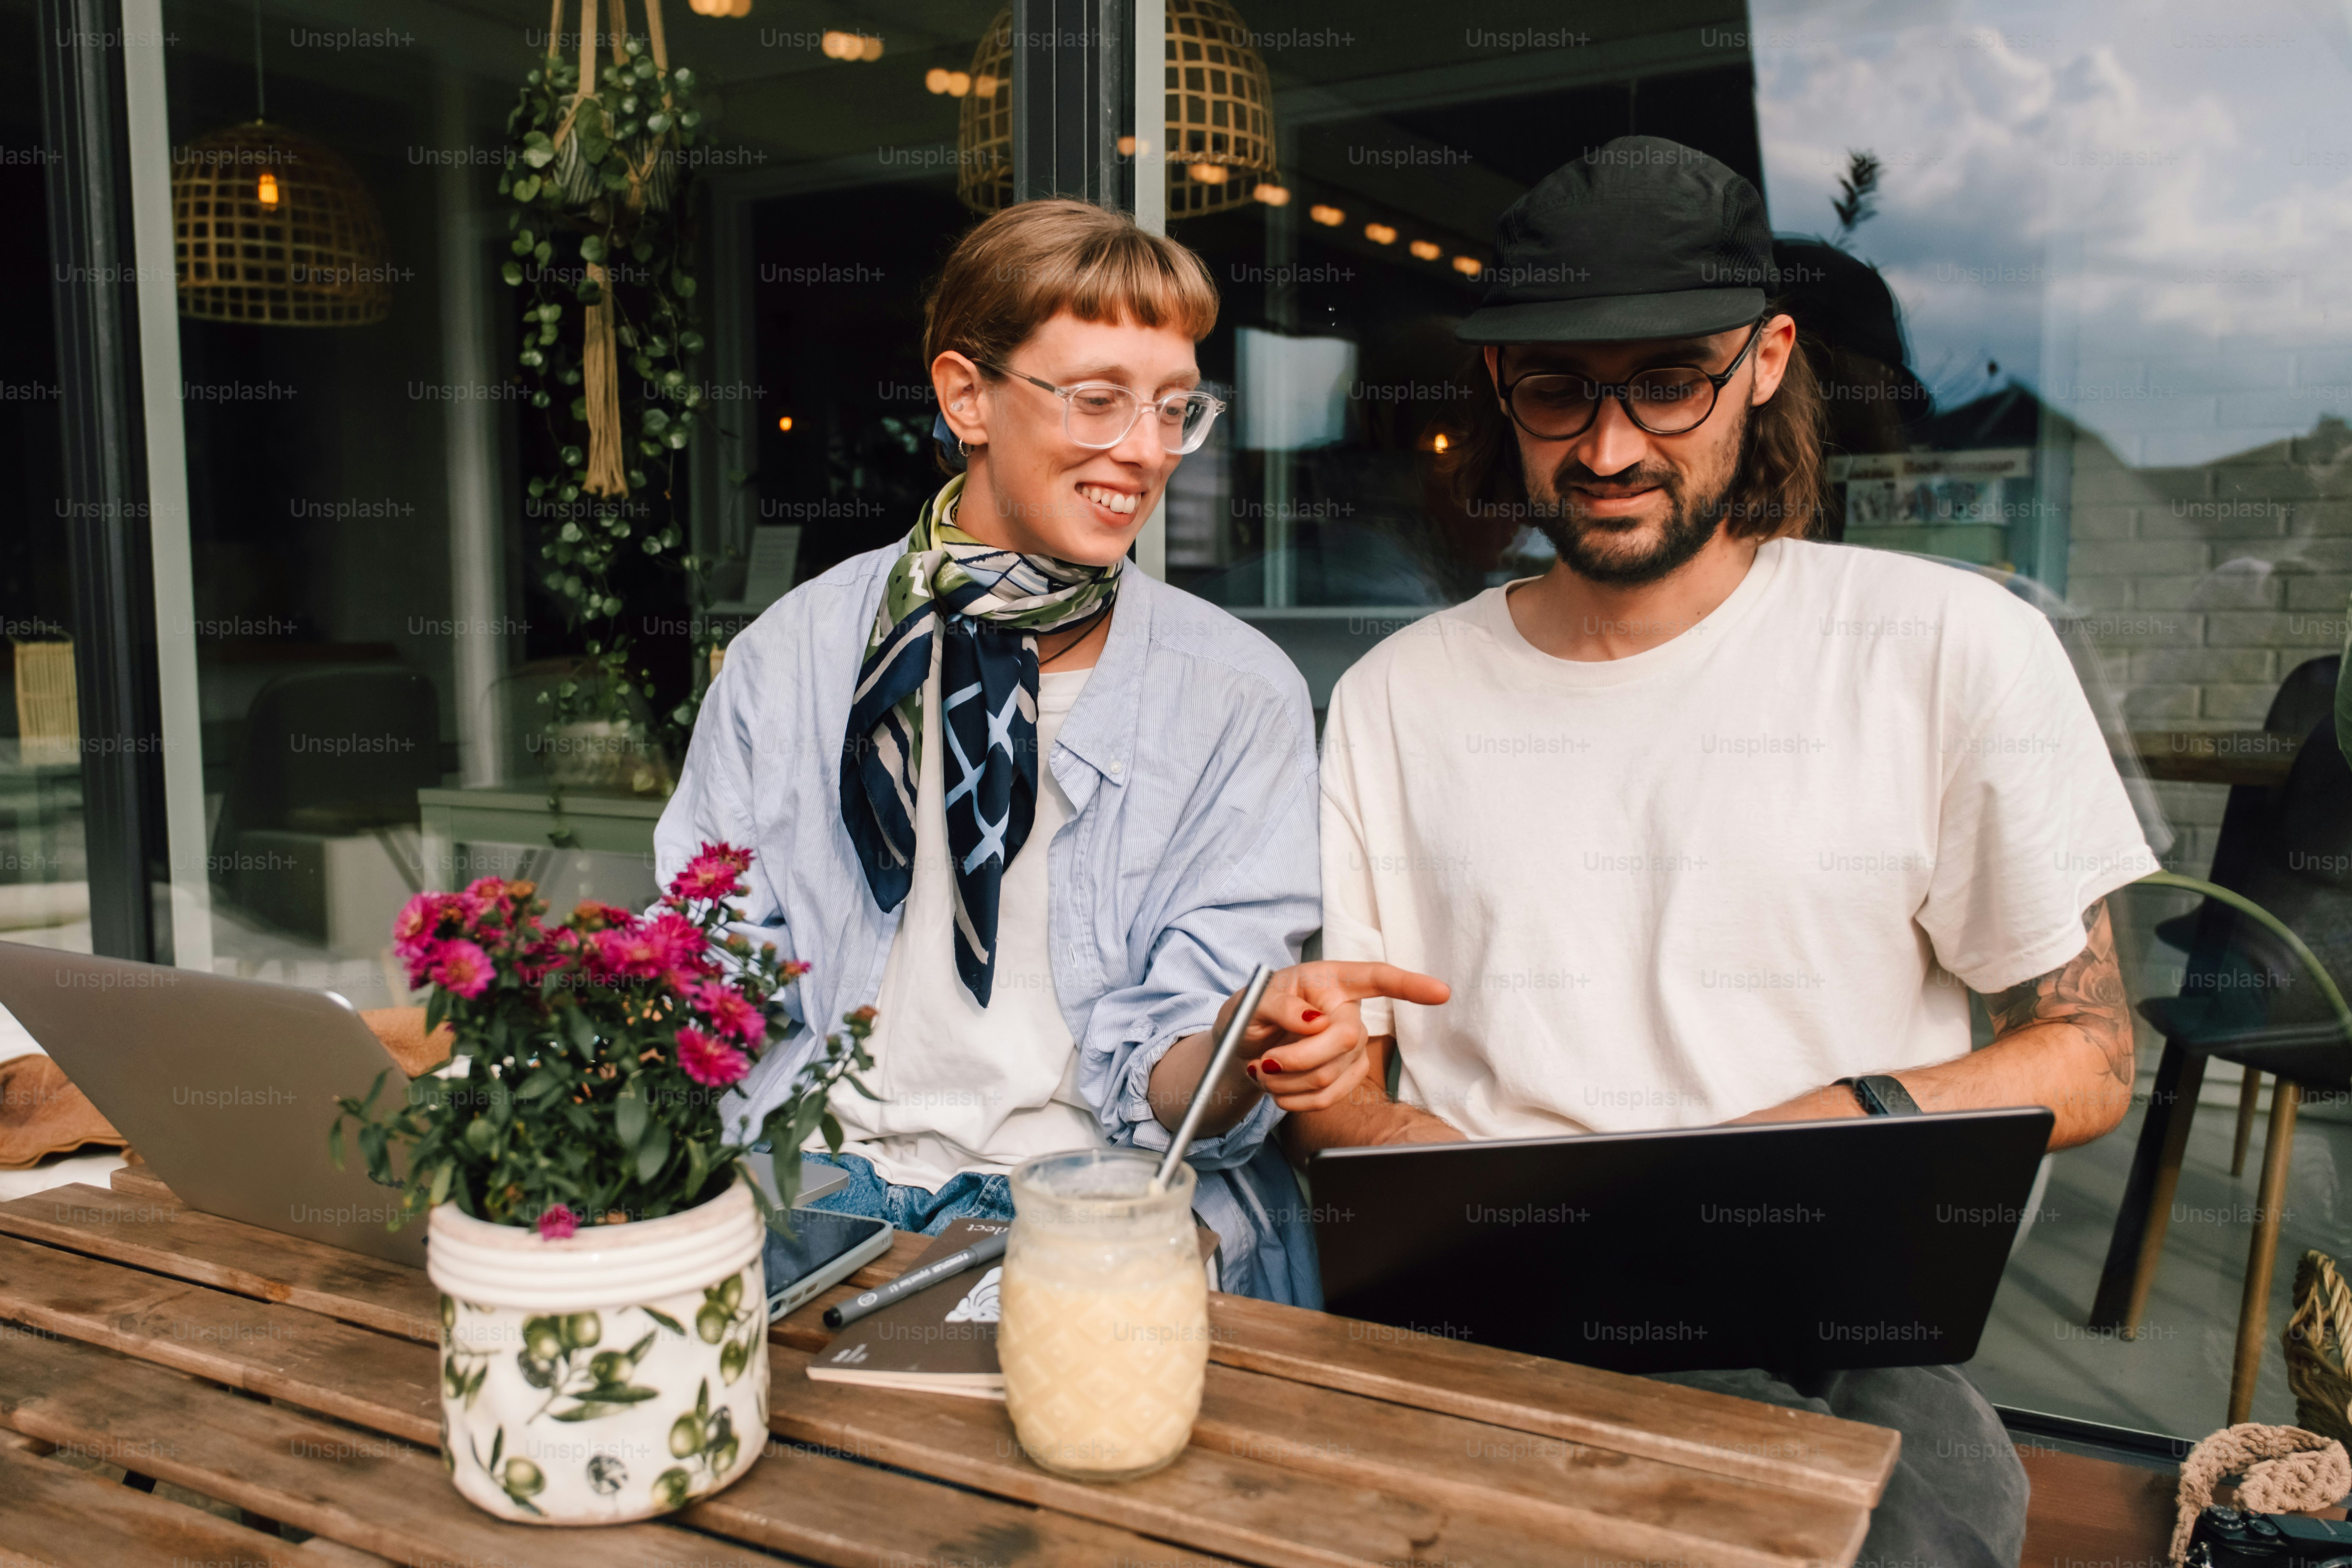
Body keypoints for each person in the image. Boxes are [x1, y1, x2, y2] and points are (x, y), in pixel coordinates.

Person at [1290, 138, 2156, 1561]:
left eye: (1670, 383)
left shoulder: (1946, 646)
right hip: (1494, 1326)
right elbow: (1349, 1098)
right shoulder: (1397, 697)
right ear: (1503, 389)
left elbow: (2089, 1051)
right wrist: (1439, 1172)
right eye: (1561, 392)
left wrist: (1830, 1126)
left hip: (1823, 1328)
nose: (1611, 448)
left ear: (1766, 361)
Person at [656, 198, 1437, 1304]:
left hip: (1103, 1215)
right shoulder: (797, 656)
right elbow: (712, 962)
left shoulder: (1234, 695)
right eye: (1101, 400)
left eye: (1176, 408)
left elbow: (1179, 1085)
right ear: (967, 395)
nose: (1149, 451)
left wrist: (1235, 1042)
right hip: (814, 1199)